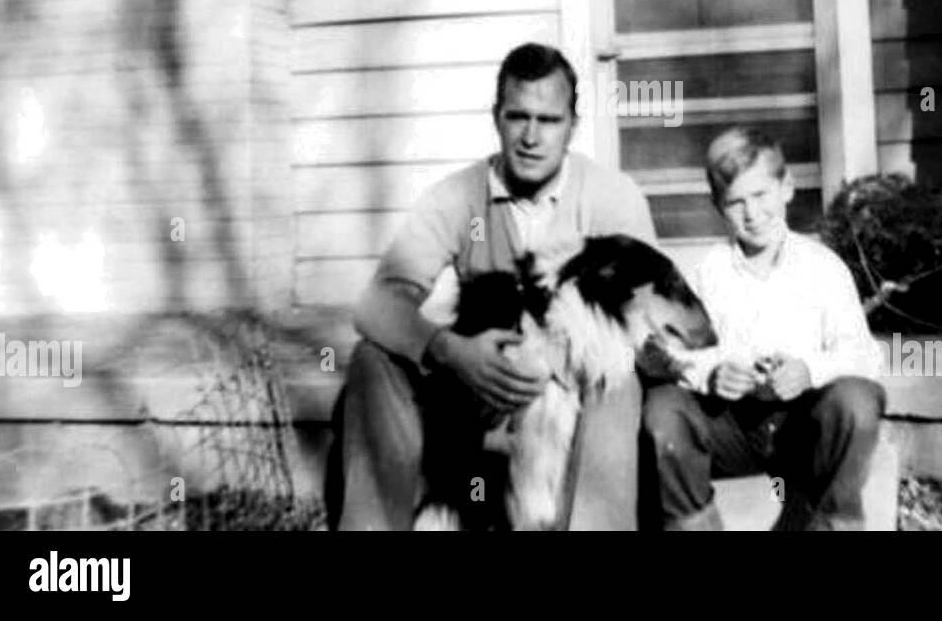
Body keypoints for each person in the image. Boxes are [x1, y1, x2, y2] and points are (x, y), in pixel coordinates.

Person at [326, 43, 656, 530]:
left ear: (573, 125)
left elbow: (646, 320)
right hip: (477, 398)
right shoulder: (459, 195)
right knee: (372, 361)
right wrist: (449, 350)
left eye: (548, 120)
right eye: (517, 116)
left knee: (620, 378)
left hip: (575, 398)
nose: (530, 136)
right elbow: (377, 303)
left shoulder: (611, 197)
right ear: (496, 118)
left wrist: (552, 362)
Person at [641, 126, 886, 530]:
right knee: (665, 407)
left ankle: (835, 523)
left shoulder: (822, 267)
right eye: (736, 202)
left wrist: (809, 370)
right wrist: (713, 372)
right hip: (732, 429)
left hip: (802, 431)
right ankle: (693, 524)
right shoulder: (707, 272)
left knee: (856, 398)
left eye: (760, 195)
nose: (752, 214)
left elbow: (864, 356)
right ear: (718, 205)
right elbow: (671, 354)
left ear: (786, 187)